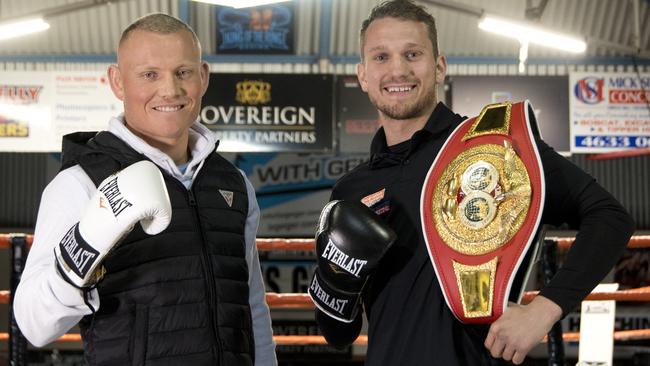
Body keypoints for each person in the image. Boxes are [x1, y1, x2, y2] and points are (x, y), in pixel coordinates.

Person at [311, 1, 635, 365]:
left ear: (439, 67)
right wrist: (336, 278)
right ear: (363, 75)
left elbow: (610, 217)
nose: (398, 69)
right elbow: (338, 334)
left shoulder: (496, 147)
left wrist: (543, 310)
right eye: (381, 57)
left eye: (413, 54)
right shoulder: (351, 191)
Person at [13, 13, 277, 366]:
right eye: (149, 74)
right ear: (117, 82)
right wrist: (84, 247)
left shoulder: (233, 183)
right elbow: (34, 325)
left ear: (203, 76)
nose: (170, 89)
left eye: (183, 72)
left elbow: (250, 305)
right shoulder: (80, 183)